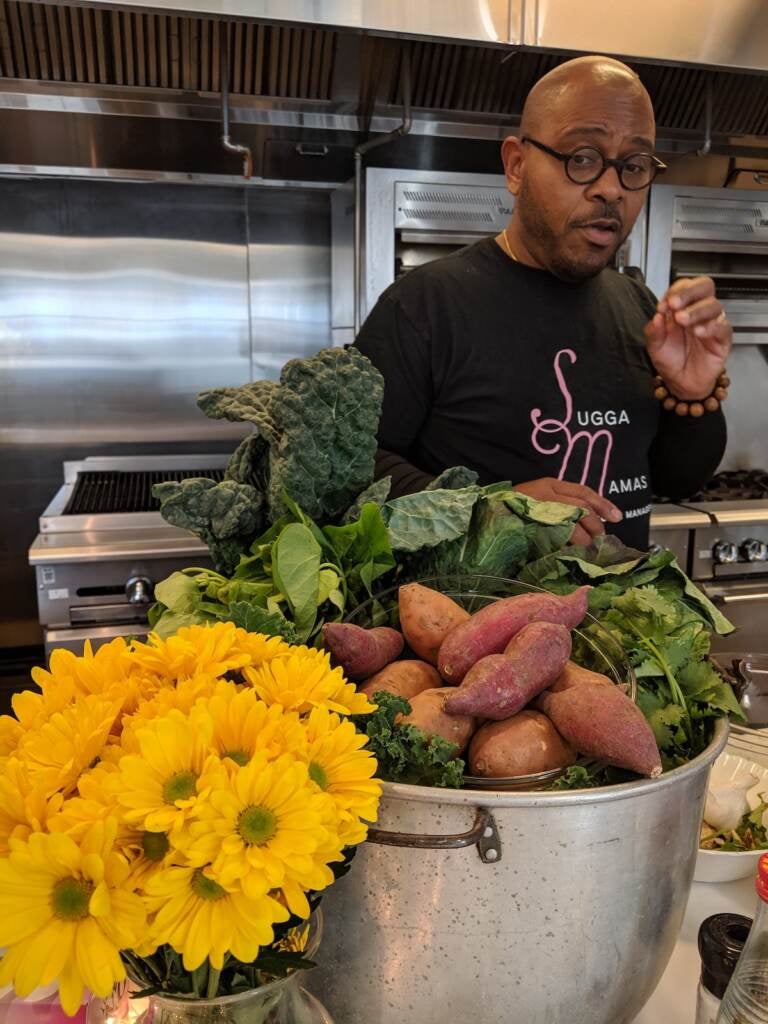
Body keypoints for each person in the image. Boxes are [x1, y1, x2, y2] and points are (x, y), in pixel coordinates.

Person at [354, 55, 731, 548]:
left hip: (621, 617)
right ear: (516, 165)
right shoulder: (424, 306)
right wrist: (492, 512)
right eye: (582, 158)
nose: (612, 189)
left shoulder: (639, 306)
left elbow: (677, 482)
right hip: (480, 621)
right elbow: (355, 470)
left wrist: (691, 395)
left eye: (634, 166)